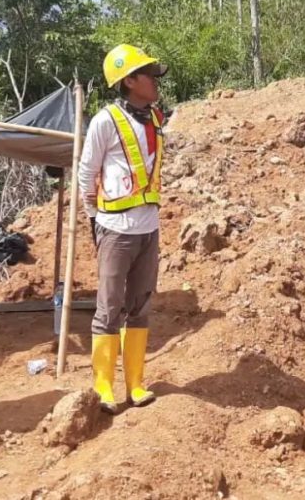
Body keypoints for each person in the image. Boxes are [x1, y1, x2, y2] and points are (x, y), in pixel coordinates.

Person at [77, 43, 168, 414]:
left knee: (140, 306)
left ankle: (135, 384)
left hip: (148, 227)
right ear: (130, 81)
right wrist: (93, 217)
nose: (155, 80)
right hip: (115, 228)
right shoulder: (105, 120)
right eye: (148, 74)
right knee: (109, 308)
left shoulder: (157, 119)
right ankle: (103, 387)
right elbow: (87, 171)